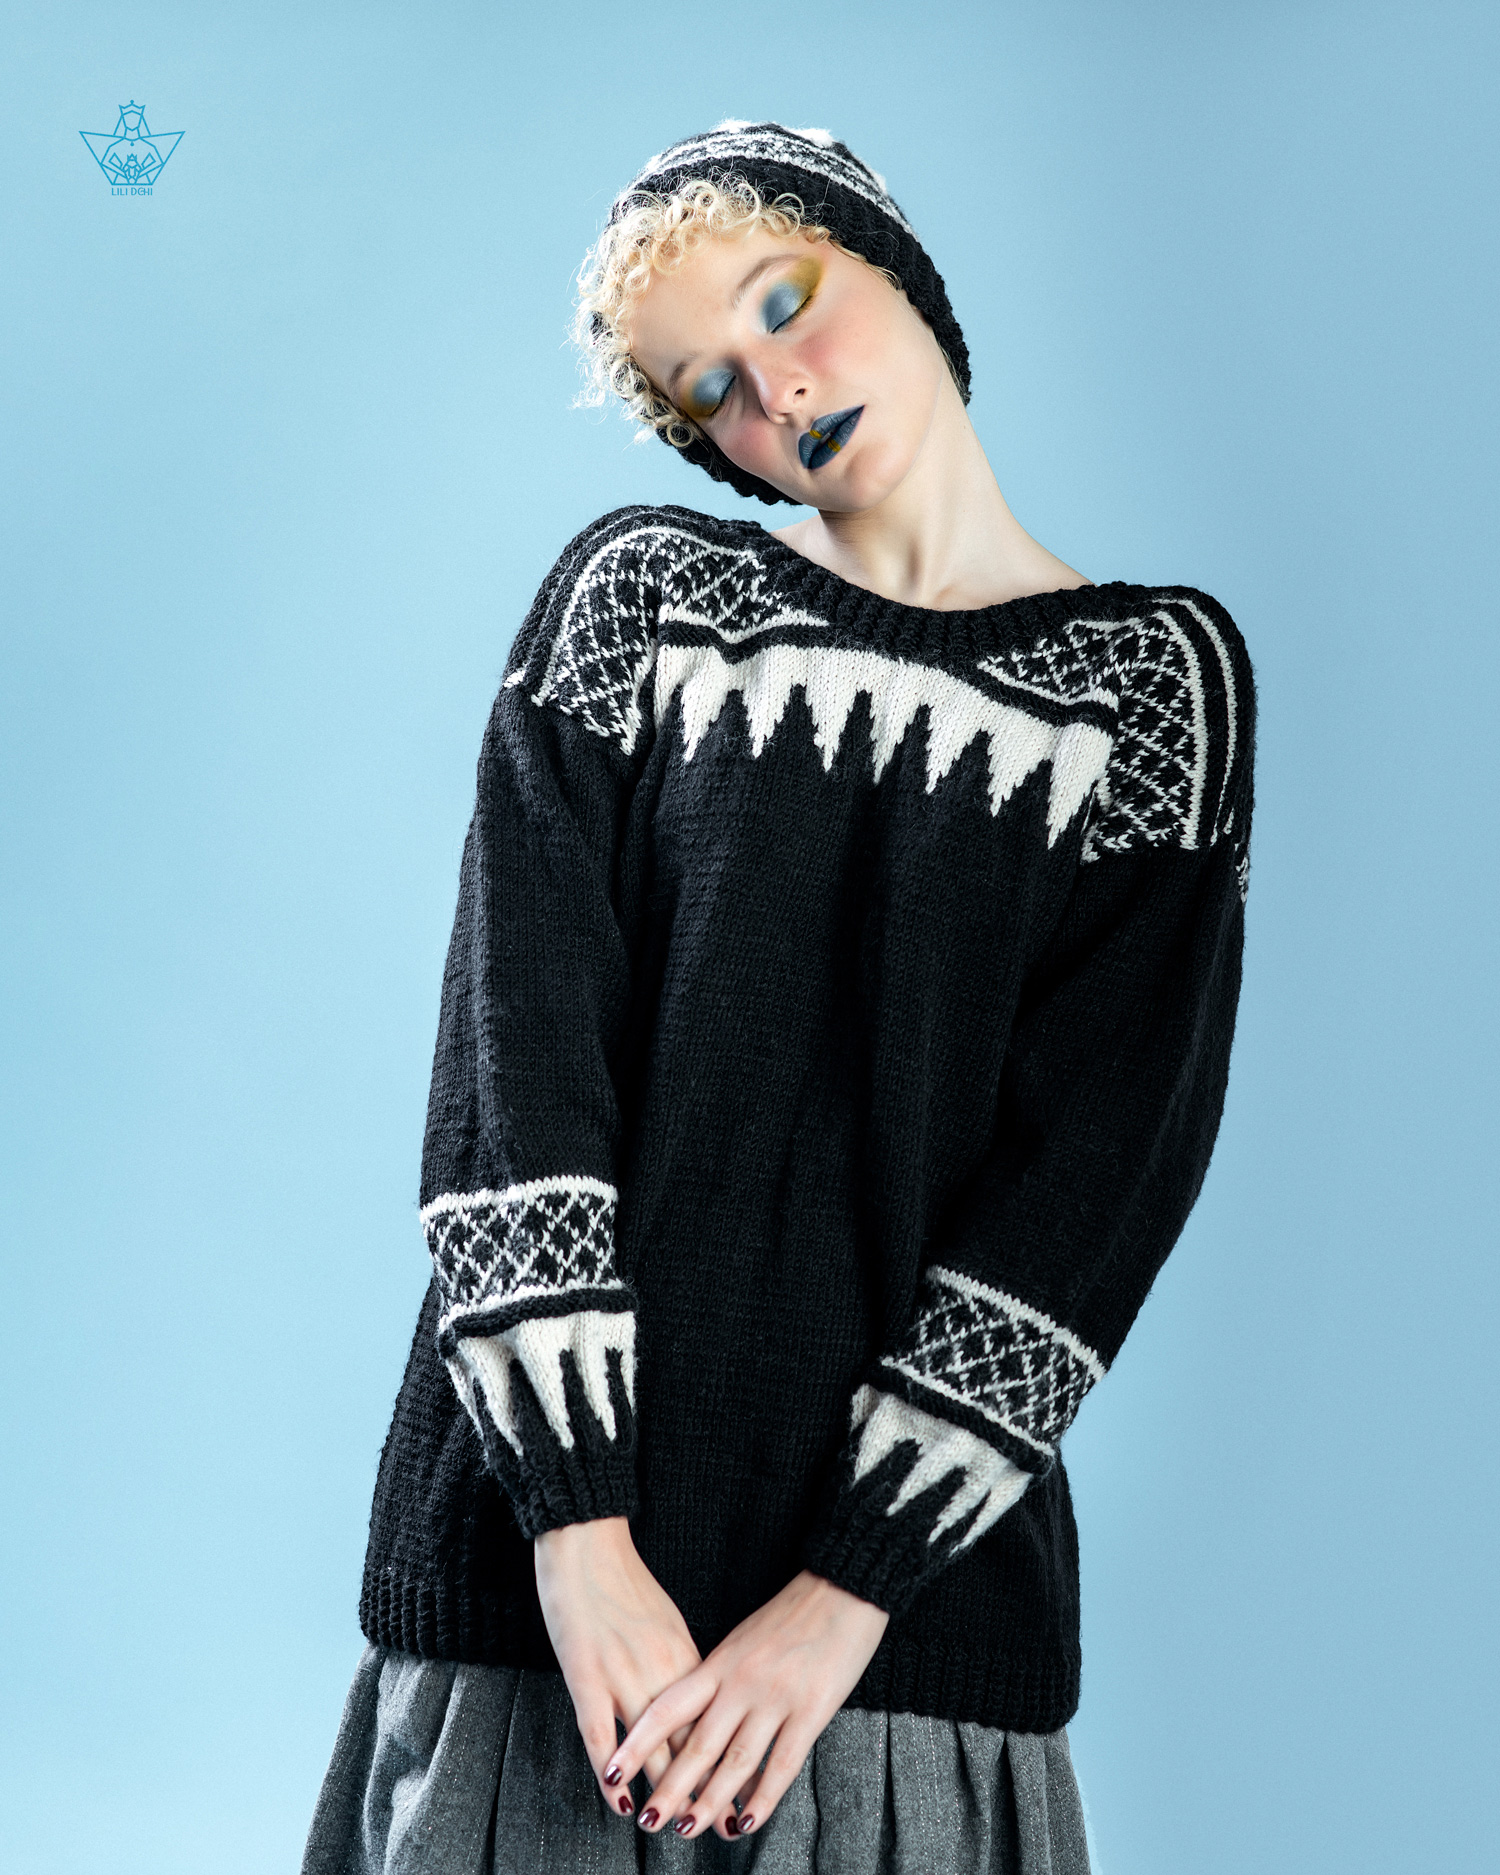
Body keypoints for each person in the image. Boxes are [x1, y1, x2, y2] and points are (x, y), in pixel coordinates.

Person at [302, 121, 1255, 1874]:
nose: (776, 388)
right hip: (547, 1612)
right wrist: (579, 1533)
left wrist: (843, 1597)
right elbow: (511, 1065)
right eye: (713, 389)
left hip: (899, 1646)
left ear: (896, 266)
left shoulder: (1149, 695)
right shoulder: (643, 603)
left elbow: (1101, 1183)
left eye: (786, 299)